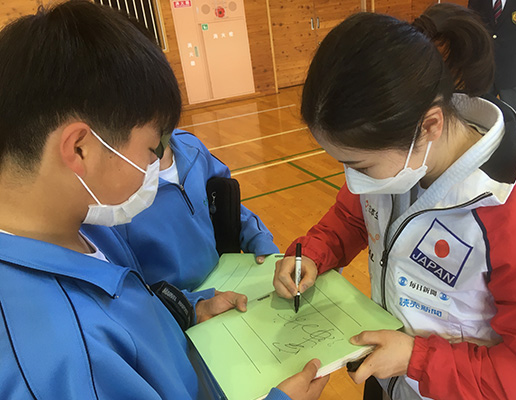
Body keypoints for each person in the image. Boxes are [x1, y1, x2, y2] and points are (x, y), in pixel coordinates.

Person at [0, 1, 328, 399]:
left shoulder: (64, 239)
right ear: (80, 148)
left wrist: (189, 310)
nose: (155, 164)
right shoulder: (65, 352)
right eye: (151, 148)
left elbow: (134, 323)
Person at [273, 4, 516, 400]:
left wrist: (416, 359)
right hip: (392, 379)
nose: (354, 181)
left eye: (358, 165)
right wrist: (312, 254)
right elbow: (355, 215)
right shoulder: (400, 153)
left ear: (429, 126)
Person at [115, 128, 279, 292]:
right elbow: (125, 290)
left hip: (225, 282)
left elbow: (226, 204)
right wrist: (192, 306)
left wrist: (259, 239)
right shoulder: (109, 189)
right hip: (174, 308)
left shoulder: (190, 147)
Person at [468, 0, 516, 141]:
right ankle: (482, 150)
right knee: (480, 113)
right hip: (484, 67)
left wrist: (513, 53)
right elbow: (473, 27)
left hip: (512, 68)